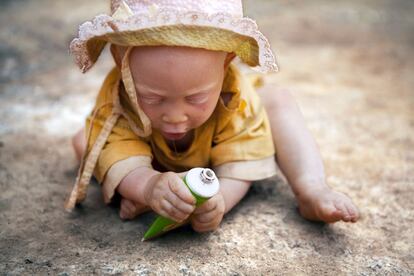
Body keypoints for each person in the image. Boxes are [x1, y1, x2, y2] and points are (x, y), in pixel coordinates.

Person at [66, 0, 359, 233]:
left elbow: (240, 161)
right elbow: (115, 147)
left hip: (221, 147)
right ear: (121, 61)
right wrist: (147, 185)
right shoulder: (118, 98)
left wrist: (220, 201)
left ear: (226, 63)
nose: (175, 117)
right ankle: (151, 193)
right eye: (154, 98)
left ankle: (311, 188)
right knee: (87, 140)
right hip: (148, 157)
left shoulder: (236, 96)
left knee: (278, 99)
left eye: (195, 98)